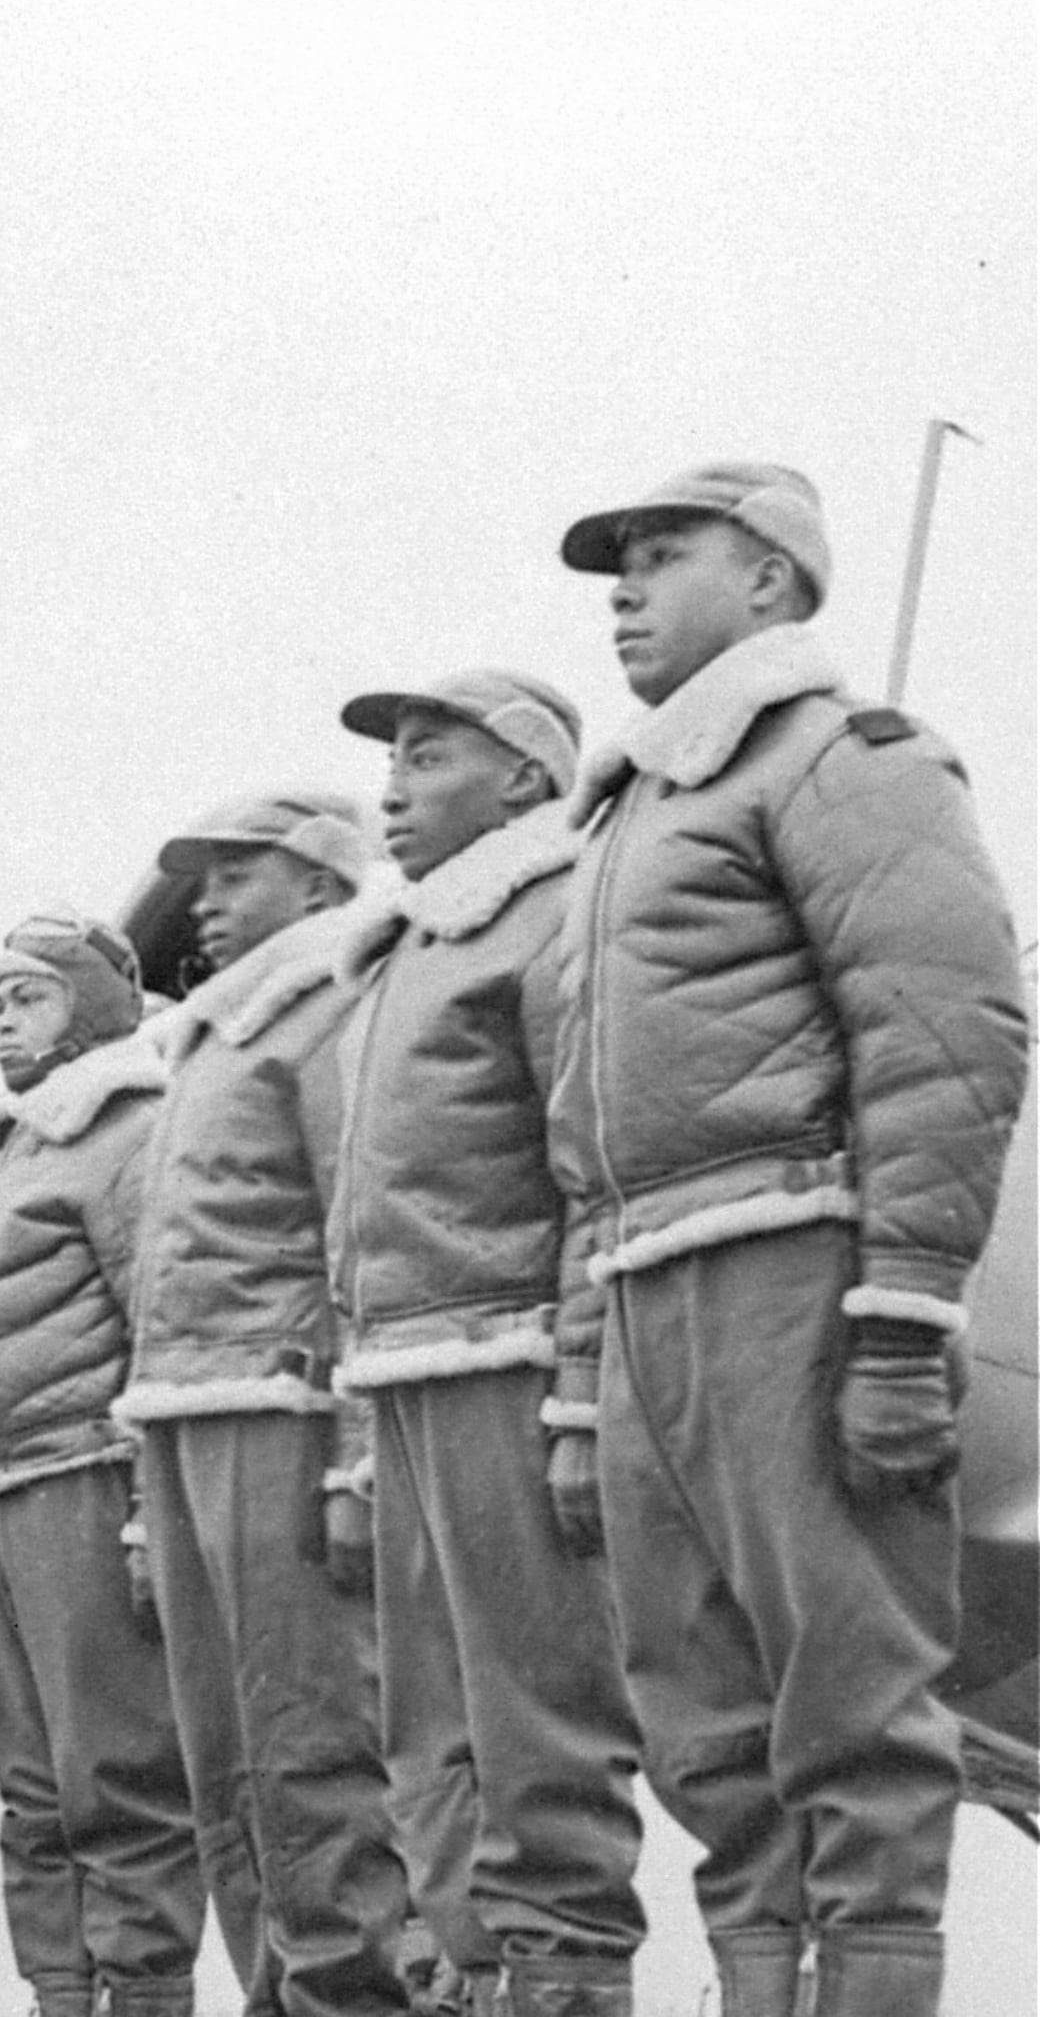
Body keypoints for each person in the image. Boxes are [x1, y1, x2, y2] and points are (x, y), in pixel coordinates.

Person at [547, 463, 1027, 2017]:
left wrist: (901, 1321)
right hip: (642, 1294)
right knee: (704, 1727)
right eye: (616, 565)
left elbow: (947, 1034)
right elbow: (581, 1138)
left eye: (662, 555)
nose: (623, 589)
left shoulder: (842, 760)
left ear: (770, 580)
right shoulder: (628, 816)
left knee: (854, 1713)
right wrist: (580, 1379)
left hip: (792, 1276)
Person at [325, 669, 645, 2017]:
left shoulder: (556, 918)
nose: (391, 786)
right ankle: (474, 1974)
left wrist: (579, 1395)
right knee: (428, 1731)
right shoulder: (407, 952)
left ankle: (564, 1980)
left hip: (505, 1364)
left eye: (430, 755)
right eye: (390, 761)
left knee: (538, 1719)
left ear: (526, 778)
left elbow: (595, 1173)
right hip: (402, 1373)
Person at [117, 790, 422, 2015]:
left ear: (318, 883)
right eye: (203, 879)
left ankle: (356, 1998)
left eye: (240, 872)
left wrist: (355, 1456)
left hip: (282, 1409)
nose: (208, 902)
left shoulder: (333, 1009)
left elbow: (364, 1233)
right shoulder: (215, 1040)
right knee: (225, 1766)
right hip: (186, 1412)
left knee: (311, 1747)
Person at [0, 911, 205, 2017]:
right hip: (2, 1501)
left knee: (120, 1782)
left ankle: (145, 1993)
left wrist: (148, 1512)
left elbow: (161, 1318)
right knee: (36, 1797)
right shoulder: (12, 1156)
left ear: (96, 1006)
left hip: (84, 1480)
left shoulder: (125, 1129)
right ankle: (61, 1995)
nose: (2, 1021)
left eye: (29, 997)